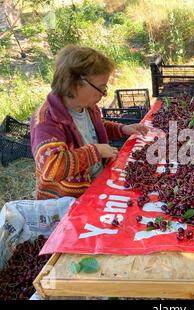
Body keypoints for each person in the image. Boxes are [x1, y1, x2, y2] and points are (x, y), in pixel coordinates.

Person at [30, 45, 149, 200]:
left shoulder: (87, 107)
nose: (103, 93)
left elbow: (97, 126)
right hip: (69, 201)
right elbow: (52, 167)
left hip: (96, 182)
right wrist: (96, 152)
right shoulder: (46, 120)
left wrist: (122, 128)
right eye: (101, 88)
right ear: (76, 83)